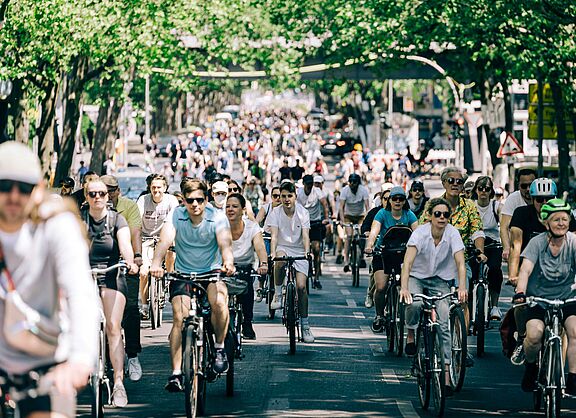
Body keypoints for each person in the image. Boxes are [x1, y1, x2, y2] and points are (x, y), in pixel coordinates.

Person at [0, 142, 98, 418]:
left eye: (24, 187)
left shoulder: (56, 227)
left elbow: (80, 292)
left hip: (48, 361)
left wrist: (80, 358)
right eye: (4, 186)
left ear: (40, 189)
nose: (14, 196)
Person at [150, 178, 235, 393]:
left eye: (199, 200)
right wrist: (155, 264)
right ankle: (176, 373)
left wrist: (228, 262)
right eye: (190, 201)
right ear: (184, 202)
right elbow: (165, 241)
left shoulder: (217, 217)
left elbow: (225, 244)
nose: (195, 204)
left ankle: (218, 348)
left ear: (206, 199)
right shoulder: (176, 215)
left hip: (212, 271)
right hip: (183, 274)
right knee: (179, 317)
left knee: (219, 301)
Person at [400, 198, 467, 393]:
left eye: (446, 215)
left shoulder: (453, 234)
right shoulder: (420, 234)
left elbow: (461, 263)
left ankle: (446, 372)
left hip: (440, 280)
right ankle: (411, 332)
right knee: (414, 304)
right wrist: (404, 288)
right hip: (417, 277)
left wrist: (462, 286)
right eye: (437, 214)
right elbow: (408, 263)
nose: (442, 218)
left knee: (444, 319)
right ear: (430, 216)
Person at [82, 179, 139, 407]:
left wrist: (130, 261)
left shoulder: (117, 219)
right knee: (82, 323)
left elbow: (125, 244)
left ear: (108, 196)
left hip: (112, 275)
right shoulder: (79, 220)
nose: (97, 197)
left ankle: (118, 383)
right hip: (84, 276)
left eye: (102, 193)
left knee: (114, 328)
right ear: (86, 197)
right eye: (92, 193)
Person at [511, 199, 576, 395]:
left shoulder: (573, 242)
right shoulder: (536, 243)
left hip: (568, 298)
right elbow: (525, 270)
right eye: (556, 220)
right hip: (539, 300)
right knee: (533, 336)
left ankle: (573, 377)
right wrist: (520, 292)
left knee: (575, 332)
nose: (561, 223)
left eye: (565, 219)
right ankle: (531, 366)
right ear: (545, 222)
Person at [101, 175, 144, 382]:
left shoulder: (126, 210)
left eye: (109, 191)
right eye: (99, 192)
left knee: (131, 309)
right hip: (97, 268)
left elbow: (134, 233)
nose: (104, 196)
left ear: (117, 191)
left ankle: (133, 355)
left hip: (122, 264)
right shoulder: (85, 212)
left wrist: (135, 258)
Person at [365, 186, 418, 332]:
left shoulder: (409, 215)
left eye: (401, 199)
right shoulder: (382, 213)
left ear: (404, 201)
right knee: (381, 286)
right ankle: (379, 315)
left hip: (403, 254)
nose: (398, 201)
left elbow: (418, 233)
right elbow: (375, 231)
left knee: (408, 286)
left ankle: (407, 317)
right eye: (395, 198)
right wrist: (370, 245)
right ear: (389, 201)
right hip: (382, 253)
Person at [269, 182, 314, 343]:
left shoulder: (303, 212)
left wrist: (307, 252)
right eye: (283, 196)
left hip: (300, 250)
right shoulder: (275, 212)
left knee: (301, 287)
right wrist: (273, 253)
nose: (286, 199)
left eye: (290, 196)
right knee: (279, 261)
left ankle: (305, 326)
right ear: (279, 197)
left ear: (295, 196)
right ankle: (278, 294)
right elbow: (274, 236)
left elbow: (306, 235)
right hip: (283, 247)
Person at [226, 193, 268, 339]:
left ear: (243, 209)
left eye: (235, 206)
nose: (230, 209)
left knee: (247, 291)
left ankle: (247, 323)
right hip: (223, 266)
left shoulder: (252, 227)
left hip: (244, 266)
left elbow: (260, 247)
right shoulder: (219, 225)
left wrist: (263, 264)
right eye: (228, 206)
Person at [137, 174, 179, 319]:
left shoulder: (171, 200)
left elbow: (174, 220)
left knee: (171, 251)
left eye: (159, 187)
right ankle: (144, 305)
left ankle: (168, 276)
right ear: (149, 188)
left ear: (165, 188)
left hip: (165, 238)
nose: (156, 190)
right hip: (146, 238)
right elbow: (137, 218)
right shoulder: (143, 200)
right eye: (153, 187)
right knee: (143, 273)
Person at [471, 176, 504, 320]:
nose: (483, 191)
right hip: (473, 245)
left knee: (495, 271)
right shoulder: (470, 206)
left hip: (493, 245)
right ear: (476, 190)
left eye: (487, 189)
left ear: (491, 191)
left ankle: (495, 307)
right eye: (480, 188)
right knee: (469, 273)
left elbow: (503, 225)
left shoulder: (496, 206)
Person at [361, 183, 393, 308]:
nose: (391, 201)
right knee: (377, 278)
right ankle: (370, 293)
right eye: (386, 198)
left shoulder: (404, 213)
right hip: (380, 250)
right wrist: (368, 236)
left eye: (394, 198)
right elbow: (366, 227)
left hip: (397, 251)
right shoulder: (376, 212)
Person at [297, 175, 329, 289]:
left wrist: (326, 218)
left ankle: (316, 278)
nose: (310, 186)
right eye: (308, 184)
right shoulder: (299, 192)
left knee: (316, 249)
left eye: (311, 184)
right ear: (304, 184)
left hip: (315, 222)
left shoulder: (317, 191)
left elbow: (324, 204)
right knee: (301, 250)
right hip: (302, 223)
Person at [500, 168, 536, 264]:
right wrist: (507, 248)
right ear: (518, 185)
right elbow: (504, 227)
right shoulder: (513, 199)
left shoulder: (546, 197)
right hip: (519, 248)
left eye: (531, 185)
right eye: (524, 186)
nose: (528, 189)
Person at [339, 173, 370, 272]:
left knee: (362, 235)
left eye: (355, 182)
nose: (352, 184)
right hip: (348, 216)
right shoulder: (345, 191)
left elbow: (367, 207)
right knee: (348, 236)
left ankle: (361, 257)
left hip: (360, 216)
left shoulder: (363, 190)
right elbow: (341, 207)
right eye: (350, 182)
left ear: (358, 183)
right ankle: (346, 260)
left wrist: (367, 221)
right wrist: (342, 221)